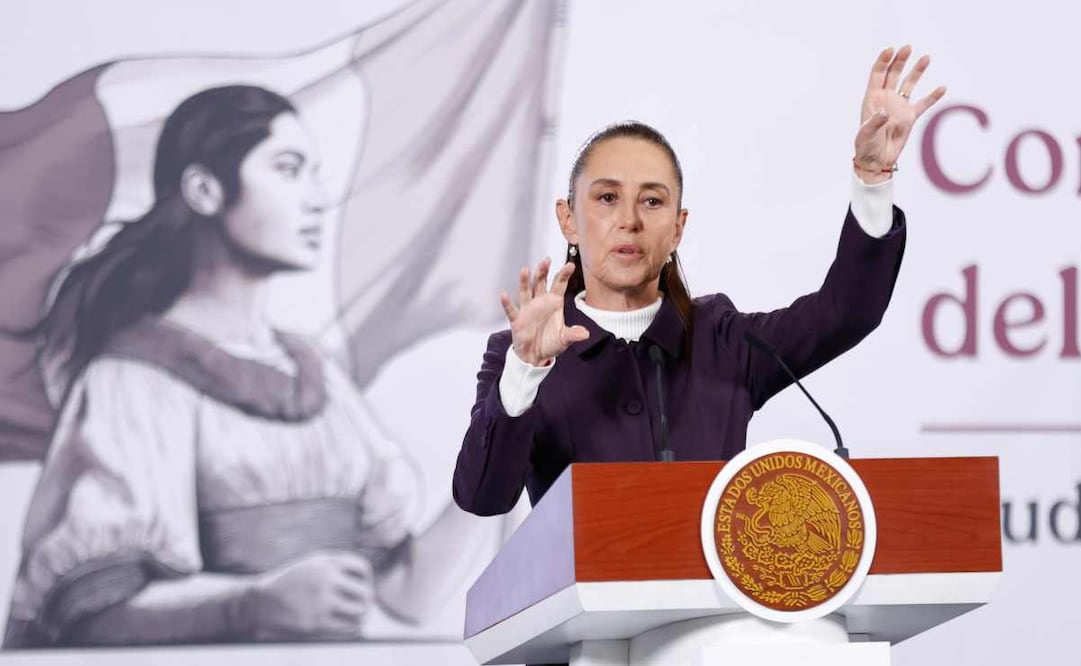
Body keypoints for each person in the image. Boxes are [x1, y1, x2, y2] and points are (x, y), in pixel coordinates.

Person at [4, 85, 483, 648]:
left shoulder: (319, 377)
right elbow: (90, 612)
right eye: (288, 168)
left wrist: (507, 431)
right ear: (205, 190)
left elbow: (409, 592)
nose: (315, 199)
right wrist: (251, 604)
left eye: (313, 172)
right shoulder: (133, 379)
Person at [453, 46, 946, 517]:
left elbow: (847, 311)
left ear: (678, 228)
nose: (628, 220)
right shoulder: (516, 355)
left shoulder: (722, 339)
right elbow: (483, 496)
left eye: (652, 201)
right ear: (568, 220)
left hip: (719, 607)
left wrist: (874, 174)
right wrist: (525, 370)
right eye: (606, 198)